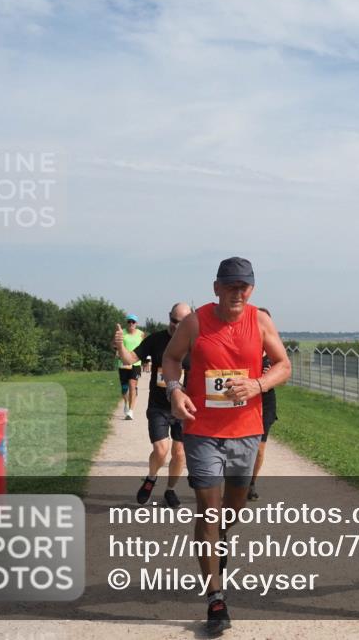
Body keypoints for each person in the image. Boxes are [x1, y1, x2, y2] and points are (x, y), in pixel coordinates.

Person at [163, 257, 291, 635]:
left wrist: (257, 385)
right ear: (216, 287)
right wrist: (175, 390)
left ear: (251, 289)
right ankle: (215, 599)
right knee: (209, 511)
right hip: (202, 430)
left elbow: (283, 365)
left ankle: (220, 540)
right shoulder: (196, 322)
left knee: (230, 512)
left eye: (243, 286)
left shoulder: (260, 321)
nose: (237, 293)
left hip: (246, 431)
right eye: (230, 285)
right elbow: (171, 358)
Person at [114, 302, 193, 508]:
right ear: (169, 317)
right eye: (174, 321)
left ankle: (170, 490)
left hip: (184, 408)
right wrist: (120, 346)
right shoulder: (156, 339)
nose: (177, 326)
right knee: (160, 450)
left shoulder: (196, 342)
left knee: (179, 453)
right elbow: (130, 359)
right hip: (159, 406)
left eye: (183, 322)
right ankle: (151, 478)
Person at [247, 307, 278, 501]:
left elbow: (284, 375)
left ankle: (251, 483)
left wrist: (271, 378)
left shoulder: (274, 349)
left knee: (259, 448)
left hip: (265, 402)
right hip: (244, 401)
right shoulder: (244, 346)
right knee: (238, 446)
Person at [116, 315, 144, 420]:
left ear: (136, 323)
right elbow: (114, 345)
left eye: (133, 322)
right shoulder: (121, 332)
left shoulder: (141, 334)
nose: (131, 324)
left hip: (136, 364)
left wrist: (145, 359)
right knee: (124, 388)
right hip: (123, 364)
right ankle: (126, 403)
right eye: (129, 321)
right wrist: (117, 352)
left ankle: (131, 411)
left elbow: (144, 347)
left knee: (132, 385)